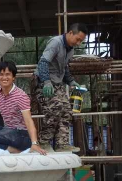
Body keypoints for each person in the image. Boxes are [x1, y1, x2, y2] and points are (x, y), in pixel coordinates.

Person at [34, 23, 88, 152]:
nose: (78, 43)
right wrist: (46, 82)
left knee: (67, 110)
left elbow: (64, 68)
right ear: (70, 33)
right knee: (55, 108)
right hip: (43, 82)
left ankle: (62, 144)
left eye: (81, 41)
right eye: (78, 39)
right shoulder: (55, 42)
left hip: (57, 84)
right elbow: (43, 62)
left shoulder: (71, 50)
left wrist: (71, 81)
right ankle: (43, 142)